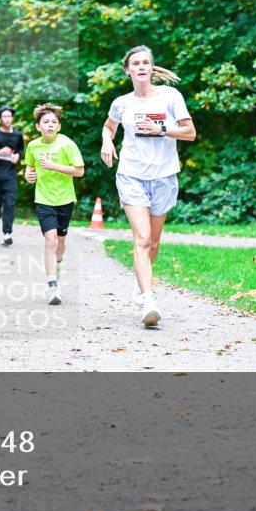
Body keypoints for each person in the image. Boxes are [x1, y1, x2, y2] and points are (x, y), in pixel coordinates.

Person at [100, 45, 196, 327]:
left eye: (146, 63)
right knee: (141, 238)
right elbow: (109, 127)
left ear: (151, 68)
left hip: (164, 176)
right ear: (128, 70)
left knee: (153, 242)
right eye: (136, 63)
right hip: (131, 175)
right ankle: (149, 300)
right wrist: (107, 141)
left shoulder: (170, 96)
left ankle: (141, 283)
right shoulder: (121, 103)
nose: (141, 67)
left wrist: (162, 130)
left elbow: (190, 132)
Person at [24, 103, 84, 305]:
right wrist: (29, 175)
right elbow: (29, 169)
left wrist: (54, 166)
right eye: (45, 122)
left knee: (60, 242)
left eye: (54, 122)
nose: (50, 125)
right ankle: (52, 286)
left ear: (59, 126)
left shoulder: (66, 144)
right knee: (50, 240)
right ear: (38, 126)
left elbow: (79, 171)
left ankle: (57, 267)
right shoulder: (33, 146)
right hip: (43, 199)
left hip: (65, 199)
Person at [0, 105, 25, 246]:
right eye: (4, 116)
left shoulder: (17, 135)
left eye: (9, 116)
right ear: (0, 118)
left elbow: (21, 149)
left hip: (10, 175)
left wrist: (17, 155)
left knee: (10, 204)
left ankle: (7, 233)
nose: (7, 119)